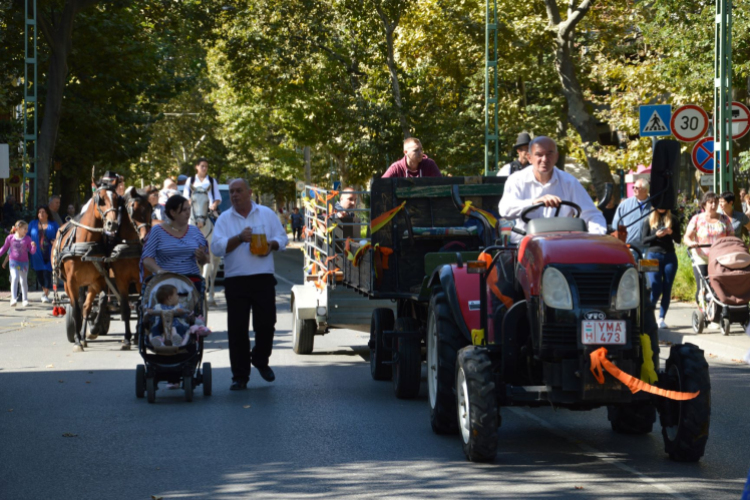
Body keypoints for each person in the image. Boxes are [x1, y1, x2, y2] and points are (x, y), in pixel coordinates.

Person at [212, 179, 289, 390]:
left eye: (239, 191)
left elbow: (282, 239)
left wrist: (270, 245)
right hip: (236, 280)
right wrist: (238, 238)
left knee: (266, 324)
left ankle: (260, 359)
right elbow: (217, 248)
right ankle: (239, 376)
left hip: (262, 277)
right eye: (232, 192)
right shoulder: (224, 219)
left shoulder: (265, 213)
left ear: (249, 192)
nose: (235, 195)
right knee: (237, 330)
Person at [498, 136, 607, 244]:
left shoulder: (569, 182)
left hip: (562, 245)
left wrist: (596, 239)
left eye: (549, 154)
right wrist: (533, 203)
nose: (544, 159)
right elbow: (505, 210)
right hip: (524, 244)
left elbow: (591, 215)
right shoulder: (517, 179)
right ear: (529, 158)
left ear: (556, 157)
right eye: (539, 155)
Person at [140, 194, 210, 280]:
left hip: (191, 282)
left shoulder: (195, 231)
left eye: (189, 209)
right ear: (172, 212)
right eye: (184, 210)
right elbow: (147, 258)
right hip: (165, 283)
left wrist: (202, 257)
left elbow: (207, 259)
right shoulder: (157, 231)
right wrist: (159, 271)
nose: (188, 213)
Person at [683, 191, 733, 304]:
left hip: (720, 258)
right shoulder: (697, 219)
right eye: (710, 203)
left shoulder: (724, 219)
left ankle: (718, 307)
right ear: (704, 204)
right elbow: (686, 237)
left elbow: (732, 237)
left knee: (719, 285)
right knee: (703, 285)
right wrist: (691, 243)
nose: (713, 205)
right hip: (701, 257)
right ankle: (702, 310)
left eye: (715, 202)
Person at [641, 208, 680, 329]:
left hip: (669, 256)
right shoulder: (648, 219)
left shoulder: (673, 219)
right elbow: (643, 241)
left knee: (667, 288)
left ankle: (661, 318)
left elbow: (679, 239)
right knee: (654, 287)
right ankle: (647, 315)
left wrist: (670, 232)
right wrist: (656, 236)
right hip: (651, 255)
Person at [0, 220, 36, 307]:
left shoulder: (27, 239)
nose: (26, 231)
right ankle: (13, 298)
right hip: (13, 261)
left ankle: (25, 299)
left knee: (23, 281)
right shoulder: (10, 238)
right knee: (15, 277)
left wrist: (34, 246)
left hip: (24, 263)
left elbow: (32, 252)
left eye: (27, 229)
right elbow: (4, 248)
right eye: (25, 229)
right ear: (18, 229)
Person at [29, 205, 59, 303]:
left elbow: (59, 236)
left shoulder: (53, 224)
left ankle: (45, 293)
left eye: (43, 212)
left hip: (49, 252)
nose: (41, 214)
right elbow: (27, 236)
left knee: (47, 273)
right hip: (36, 253)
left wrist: (55, 241)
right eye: (39, 212)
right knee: (39, 274)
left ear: (47, 214)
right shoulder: (32, 224)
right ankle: (45, 290)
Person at [612, 178, 652, 248]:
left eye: (637, 188)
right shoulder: (625, 204)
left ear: (645, 190)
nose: (634, 189)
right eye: (633, 187)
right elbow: (616, 226)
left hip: (648, 247)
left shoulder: (653, 205)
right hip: (630, 246)